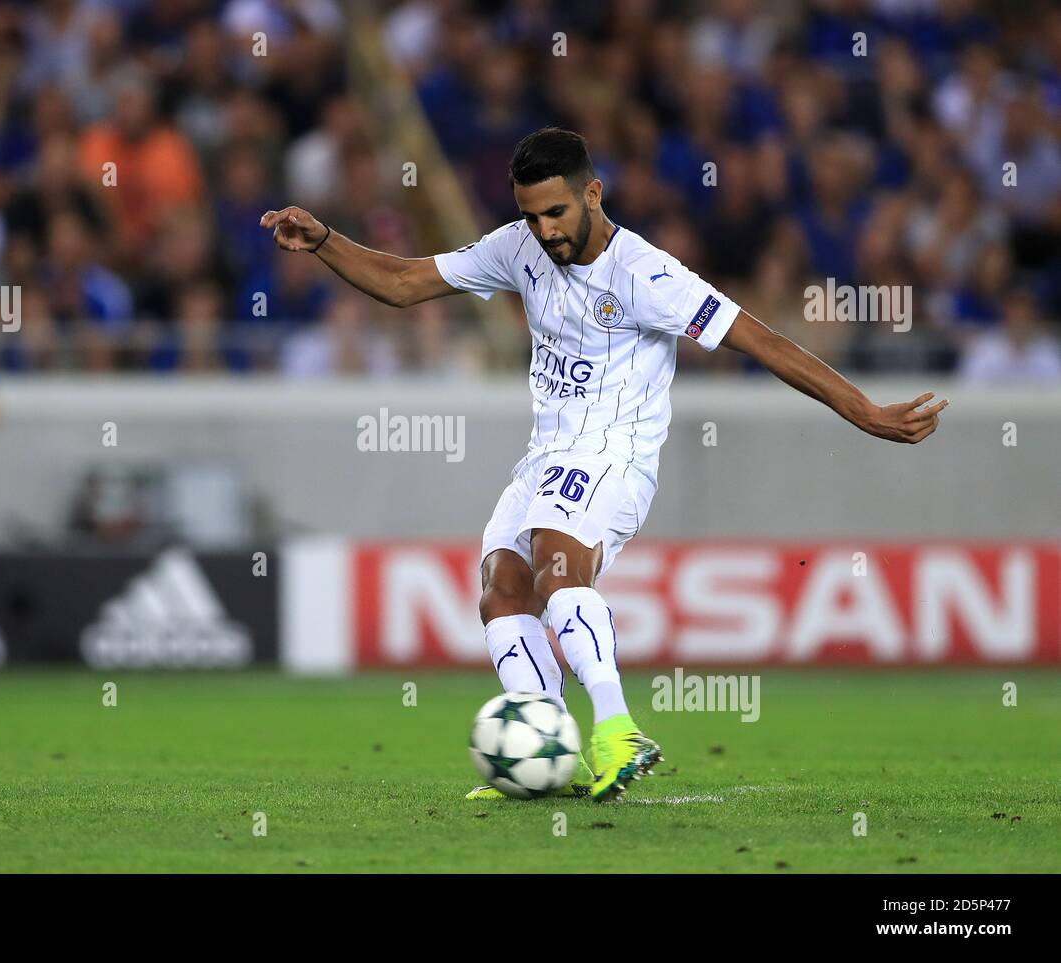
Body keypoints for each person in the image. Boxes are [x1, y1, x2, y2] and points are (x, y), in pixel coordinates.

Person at [260, 127, 947, 803]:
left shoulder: (645, 273)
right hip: (547, 454)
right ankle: (544, 746)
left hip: (615, 454)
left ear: (592, 192)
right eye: (531, 215)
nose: (545, 229)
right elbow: (406, 282)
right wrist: (324, 240)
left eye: (556, 211)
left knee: (558, 567)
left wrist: (861, 409)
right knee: (502, 583)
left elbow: (759, 339)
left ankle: (618, 730)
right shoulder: (516, 247)